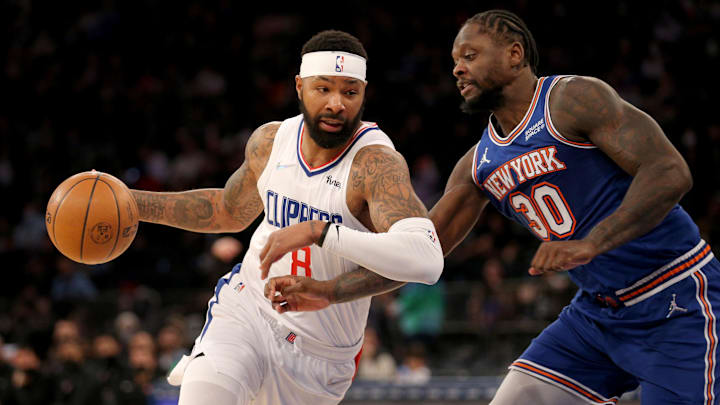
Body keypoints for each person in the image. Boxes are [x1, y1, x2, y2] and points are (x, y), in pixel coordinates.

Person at [265, 10, 720, 405]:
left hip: (675, 296)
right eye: (454, 62)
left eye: (470, 56)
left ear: (514, 55)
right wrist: (329, 290)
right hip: (598, 315)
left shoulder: (572, 99)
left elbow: (670, 171)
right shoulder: (478, 164)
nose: (458, 69)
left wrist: (591, 243)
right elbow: (420, 252)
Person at [130, 30, 443, 405]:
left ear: (363, 93)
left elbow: (426, 260)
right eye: (323, 88)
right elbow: (228, 210)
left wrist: (320, 234)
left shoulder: (375, 164)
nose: (336, 104)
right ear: (299, 86)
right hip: (247, 310)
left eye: (349, 91)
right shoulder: (271, 140)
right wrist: (133, 203)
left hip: (319, 355)